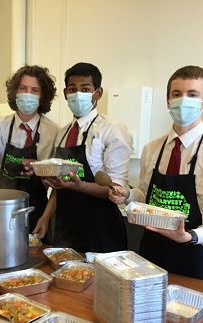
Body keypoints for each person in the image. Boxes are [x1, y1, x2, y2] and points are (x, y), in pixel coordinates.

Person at [109, 65, 203, 283]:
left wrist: (190, 236)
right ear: (168, 100)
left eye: (192, 95)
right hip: (149, 254)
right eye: (176, 94)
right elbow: (147, 196)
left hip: (191, 256)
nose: (183, 101)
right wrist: (128, 195)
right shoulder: (152, 149)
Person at [43, 62, 133, 252]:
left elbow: (115, 188)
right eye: (73, 89)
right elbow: (60, 187)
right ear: (66, 92)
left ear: (98, 93)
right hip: (65, 226)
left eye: (85, 89)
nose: (78, 94)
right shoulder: (62, 133)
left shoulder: (113, 129)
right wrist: (45, 217)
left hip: (100, 228)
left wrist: (79, 185)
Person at [0, 65, 59, 237]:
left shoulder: (54, 131)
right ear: (15, 92)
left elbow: (59, 183)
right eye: (23, 88)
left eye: (35, 90)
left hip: (38, 211)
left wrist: (46, 218)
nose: (28, 94)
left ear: (43, 96)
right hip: (3, 209)